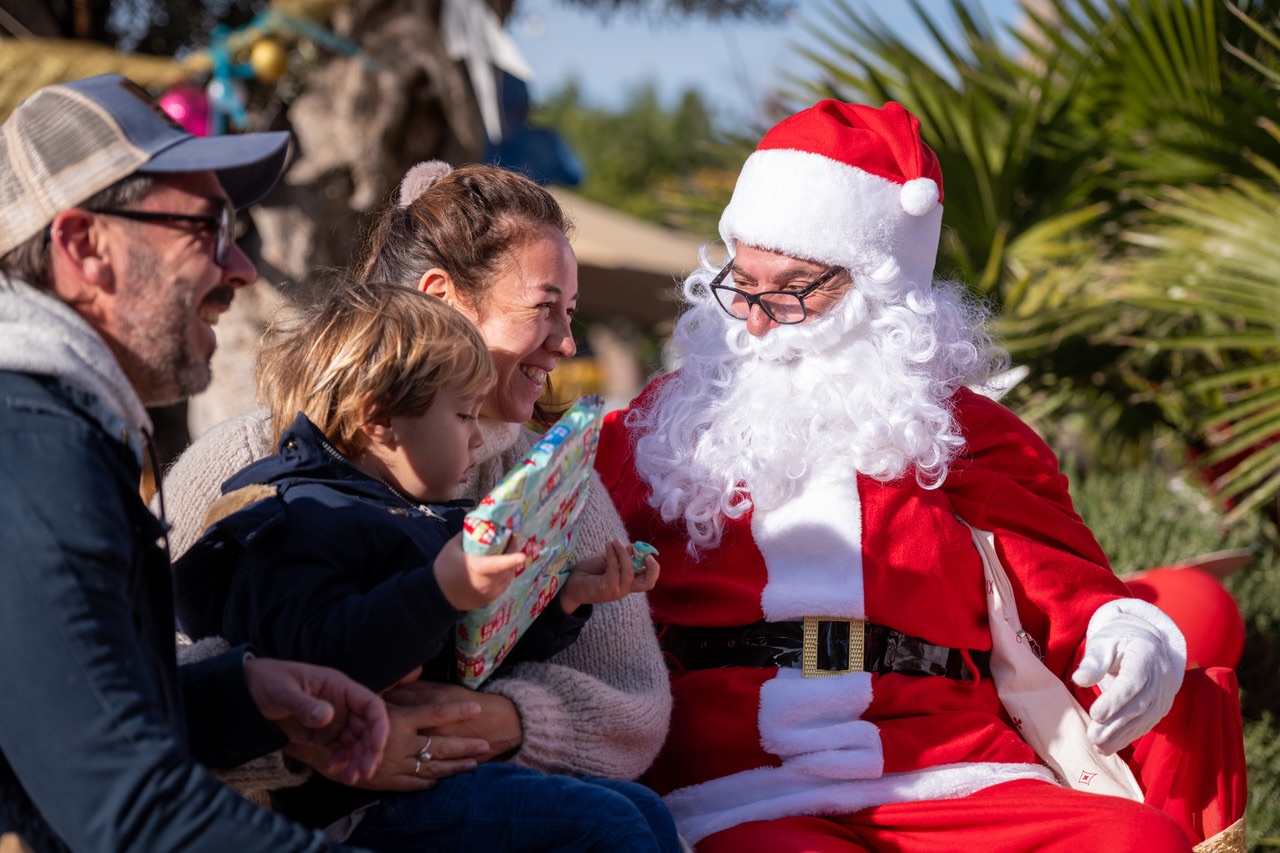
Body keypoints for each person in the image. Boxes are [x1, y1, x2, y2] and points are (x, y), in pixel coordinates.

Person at [595, 100, 1247, 852]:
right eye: (741, 283)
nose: (756, 321)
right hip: (739, 773)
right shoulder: (662, 425)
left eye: (793, 289)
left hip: (949, 763)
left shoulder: (963, 430)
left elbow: (1066, 583)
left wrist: (1125, 631)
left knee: (1134, 842)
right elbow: (556, 545)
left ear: (879, 292)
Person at [159, 161, 672, 832]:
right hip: (297, 825)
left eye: (570, 314)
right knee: (612, 829)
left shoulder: (552, 480)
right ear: (442, 297)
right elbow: (136, 674)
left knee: (644, 815)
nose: (567, 343)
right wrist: (306, 736)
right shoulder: (252, 467)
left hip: (474, 796)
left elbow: (632, 704)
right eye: (544, 309)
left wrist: (507, 715)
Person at [0, 74, 391, 852]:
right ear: (85, 247)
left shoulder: (54, 426)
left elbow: (59, 722)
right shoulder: (33, 450)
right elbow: (131, 810)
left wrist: (239, 696)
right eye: (208, 229)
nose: (242, 267)